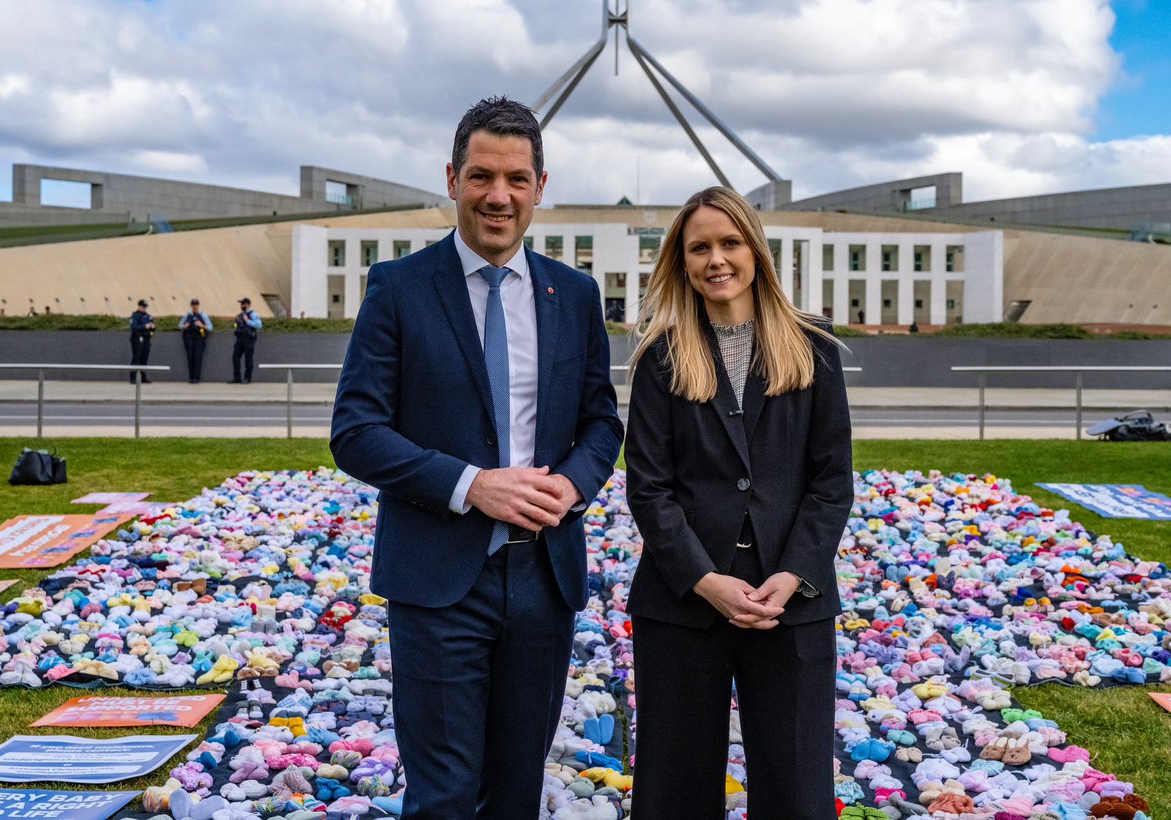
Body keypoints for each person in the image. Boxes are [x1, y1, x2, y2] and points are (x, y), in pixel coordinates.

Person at [331, 96, 623, 819]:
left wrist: (572, 486)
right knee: (444, 796)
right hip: (437, 582)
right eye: (483, 176)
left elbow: (601, 424)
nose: (500, 196)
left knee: (516, 790)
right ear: (453, 178)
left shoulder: (576, 295)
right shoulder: (398, 289)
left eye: (517, 179)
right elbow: (356, 430)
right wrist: (470, 486)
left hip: (542, 578)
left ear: (540, 187)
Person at [624, 186, 853, 819]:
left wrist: (794, 574)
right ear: (681, 261)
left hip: (792, 602)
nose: (716, 259)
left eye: (730, 243)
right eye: (700, 247)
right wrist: (704, 580)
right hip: (683, 604)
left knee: (797, 788)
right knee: (674, 787)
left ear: (756, 250)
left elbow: (832, 483)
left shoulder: (815, 349)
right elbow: (649, 489)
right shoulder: (660, 359)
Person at [178, 298, 213, 383]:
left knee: (198, 357)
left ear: (198, 305)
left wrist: (202, 325)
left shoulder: (203, 315)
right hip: (189, 338)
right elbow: (180, 325)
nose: (195, 307)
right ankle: (191, 377)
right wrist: (184, 326)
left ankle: (197, 377)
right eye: (193, 305)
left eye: (196, 305)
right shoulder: (188, 315)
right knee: (190, 357)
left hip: (199, 338)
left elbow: (210, 327)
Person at [230, 298, 263, 383]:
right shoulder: (241, 315)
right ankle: (237, 378)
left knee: (248, 359)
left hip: (248, 339)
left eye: (243, 304)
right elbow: (236, 326)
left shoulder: (253, 314)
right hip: (240, 339)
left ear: (248, 305)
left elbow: (259, 325)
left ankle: (247, 378)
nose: (241, 306)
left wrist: (247, 321)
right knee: (235, 357)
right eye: (241, 304)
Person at [128, 299, 156, 384]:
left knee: (144, 359)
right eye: (143, 307)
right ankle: (133, 378)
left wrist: (153, 327)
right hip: (137, 339)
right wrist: (144, 326)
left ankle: (143, 377)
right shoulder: (135, 316)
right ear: (139, 306)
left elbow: (152, 328)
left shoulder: (148, 316)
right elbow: (134, 327)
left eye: (145, 307)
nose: (144, 309)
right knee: (136, 358)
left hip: (146, 339)